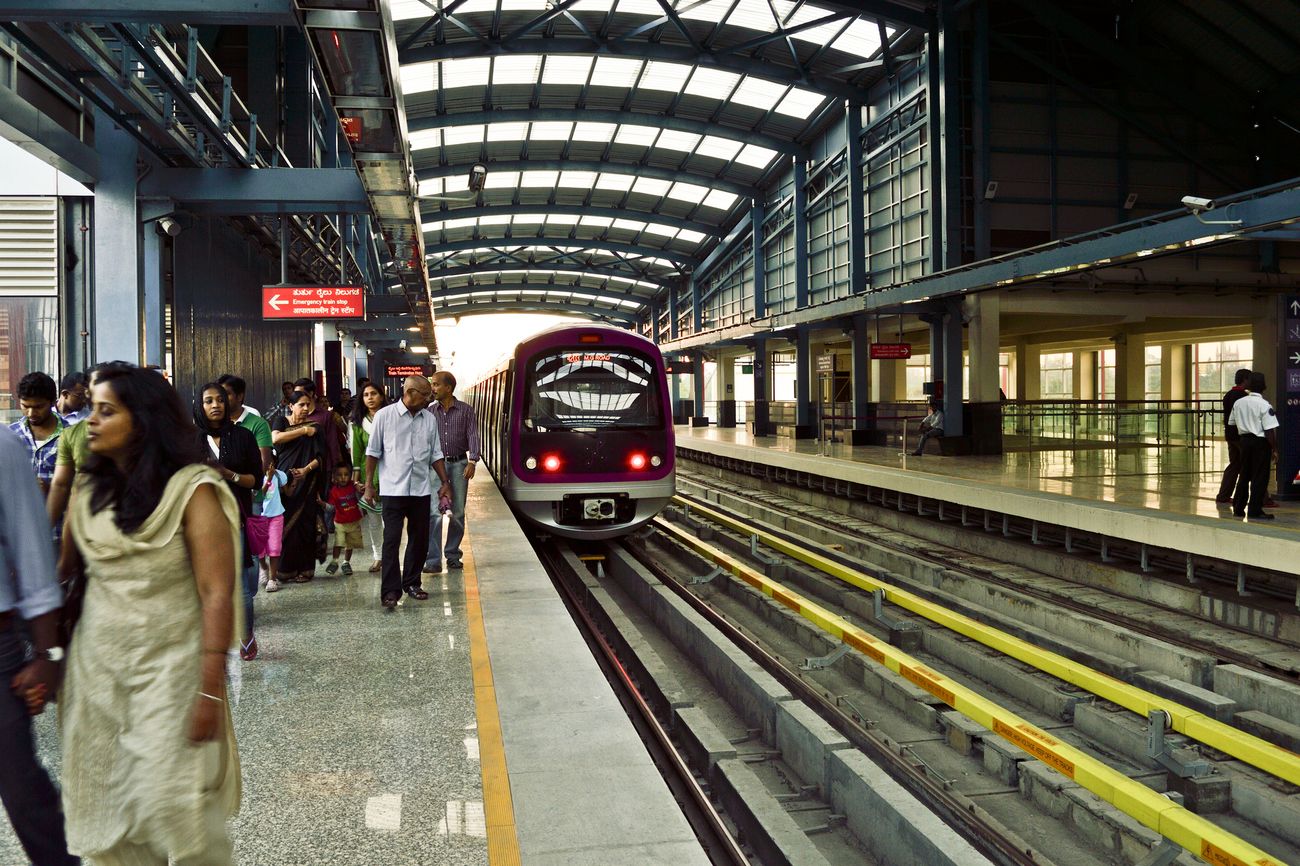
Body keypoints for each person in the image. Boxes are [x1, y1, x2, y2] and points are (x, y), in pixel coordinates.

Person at [60, 363, 242, 864]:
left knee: (173, 802)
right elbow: (63, 574)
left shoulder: (193, 489)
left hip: (172, 672)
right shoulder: (88, 489)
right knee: (107, 809)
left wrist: (211, 689)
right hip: (97, 676)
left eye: (105, 411)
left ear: (142, 420)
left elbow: (217, 594)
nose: (90, 421)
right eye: (91, 410)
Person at [0, 427, 77, 866]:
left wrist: (47, 655)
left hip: (0, 643)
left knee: (21, 786)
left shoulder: (3, 448)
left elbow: (33, 553)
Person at [363, 376, 450, 610]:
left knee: (419, 539)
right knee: (391, 540)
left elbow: (436, 453)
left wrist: (444, 482)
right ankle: (390, 591)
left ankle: (412, 582)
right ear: (410, 392)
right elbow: (372, 453)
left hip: (420, 489)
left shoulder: (429, 419)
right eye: (425, 395)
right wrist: (369, 484)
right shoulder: (384, 416)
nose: (429, 399)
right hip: (393, 489)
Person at [194, 383, 262, 661]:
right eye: (208, 401)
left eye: (220, 400)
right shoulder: (190, 439)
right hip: (200, 520)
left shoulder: (243, 436)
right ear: (199, 405)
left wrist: (227, 474)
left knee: (241, 585)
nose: (215, 405)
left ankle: (246, 637)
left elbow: (255, 480)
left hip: (235, 517)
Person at [423, 371, 480, 574]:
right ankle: (433, 560)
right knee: (434, 513)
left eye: (437, 385)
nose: (433, 388)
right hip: (435, 466)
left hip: (459, 465)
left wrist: (472, 460)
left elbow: (472, 434)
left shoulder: (466, 411)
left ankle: (453, 554)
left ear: (448, 388)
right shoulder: (429, 412)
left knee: (457, 512)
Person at [270, 389, 326, 582]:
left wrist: (305, 470)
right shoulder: (282, 422)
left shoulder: (316, 427)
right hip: (284, 482)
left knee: (305, 525)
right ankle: (285, 569)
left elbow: (321, 457)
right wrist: (302, 431)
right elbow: (275, 438)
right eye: (300, 405)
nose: (304, 408)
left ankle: (305, 569)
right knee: (285, 524)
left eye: (307, 405)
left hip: (307, 482)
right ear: (290, 406)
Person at [1228, 371, 1279, 521]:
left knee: (1244, 475)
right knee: (1259, 477)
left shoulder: (1239, 403)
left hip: (1244, 441)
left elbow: (1231, 423)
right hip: (1260, 443)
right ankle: (1255, 510)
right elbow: (1269, 430)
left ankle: (1238, 508)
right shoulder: (1264, 405)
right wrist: (1275, 449)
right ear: (1264, 387)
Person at [8, 372, 65, 501]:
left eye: (39, 407)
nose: (31, 413)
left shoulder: (70, 435)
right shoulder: (11, 435)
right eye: (25, 406)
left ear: (52, 403)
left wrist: (52, 489)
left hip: (58, 518)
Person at [350, 382, 387, 572]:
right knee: (373, 521)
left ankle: (390, 556)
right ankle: (378, 557)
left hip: (391, 475)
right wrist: (357, 480)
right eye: (366, 395)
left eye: (374, 393)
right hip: (369, 477)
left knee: (390, 521)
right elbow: (356, 453)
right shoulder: (358, 423)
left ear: (382, 396)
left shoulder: (391, 417)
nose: (370, 397)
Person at [218, 374, 273, 472]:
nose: (221, 398)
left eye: (226, 393)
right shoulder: (214, 423)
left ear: (239, 396)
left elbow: (263, 465)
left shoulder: (259, 424)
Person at [249, 457, 288, 593]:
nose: (268, 465)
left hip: (276, 516)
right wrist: (269, 480)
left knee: (274, 547)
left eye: (270, 462)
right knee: (259, 549)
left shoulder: (279, 474)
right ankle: (263, 567)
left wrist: (294, 481)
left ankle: (272, 578)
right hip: (260, 517)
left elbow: (287, 491)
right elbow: (258, 497)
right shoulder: (254, 477)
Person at [294, 377, 342, 473]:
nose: (297, 396)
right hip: (298, 466)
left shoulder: (325, 416)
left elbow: (332, 443)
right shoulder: (292, 416)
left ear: (311, 393)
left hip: (321, 467)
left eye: (300, 392)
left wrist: (335, 467)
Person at [323, 464, 363, 576]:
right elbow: (331, 508)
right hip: (340, 522)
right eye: (339, 475)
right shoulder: (334, 491)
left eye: (346, 475)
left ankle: (346, 563)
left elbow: (360, 494)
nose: (343, 478)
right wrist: (323, 504)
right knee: (339, 542)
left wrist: (360, 488)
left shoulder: (352, 486)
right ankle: (335, 561)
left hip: (354, 521)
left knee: (349, 544)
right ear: (334, 477)